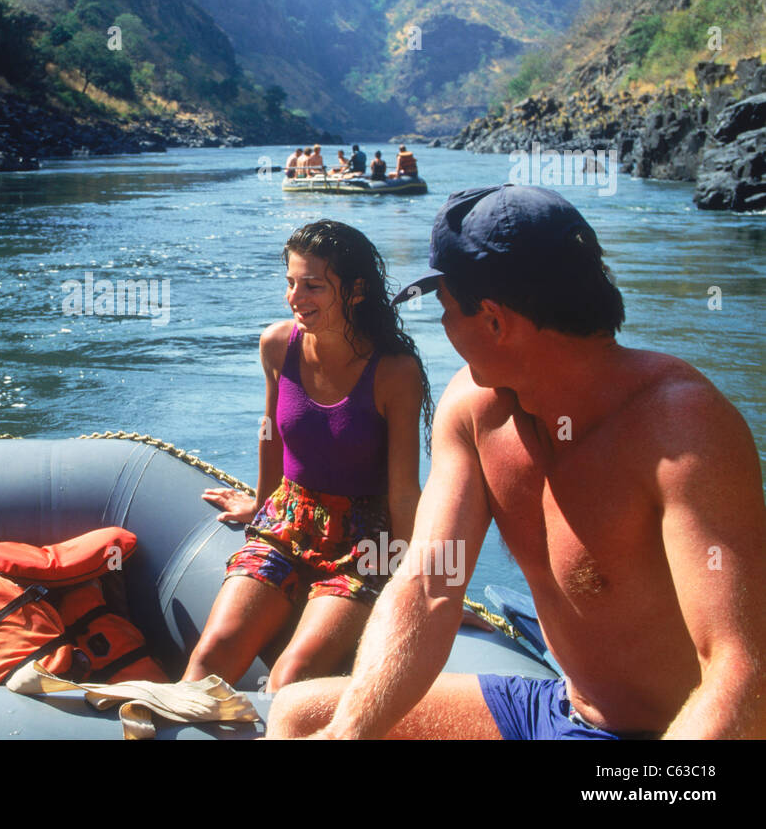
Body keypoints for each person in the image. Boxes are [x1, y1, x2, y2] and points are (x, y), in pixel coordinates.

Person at [269, 185, 766, 738]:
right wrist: (350, 734)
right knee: (298, 713)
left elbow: (741, 671)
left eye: (446, 310)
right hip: (560, 706)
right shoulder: (474, 408)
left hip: (660, 735)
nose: (444, 328)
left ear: (494, 321)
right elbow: (430, 585)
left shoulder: (682, 431)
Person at [185, 221, 431, 691]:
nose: (295, 298)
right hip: (288, 520)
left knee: (293, 678)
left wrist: (411, 578)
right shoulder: (278, 346)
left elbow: (403, 491)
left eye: (313, 286)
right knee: (211, 653)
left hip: (365, 542)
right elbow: (270, 435)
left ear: (356, 290)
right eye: (291, 283)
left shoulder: (396, 372)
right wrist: (259, 504)